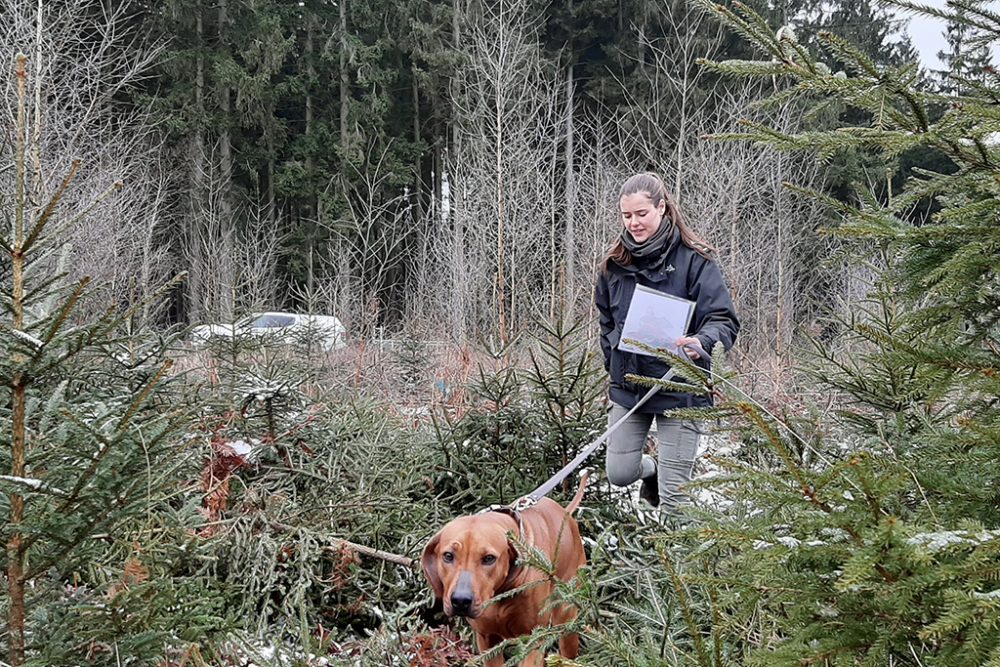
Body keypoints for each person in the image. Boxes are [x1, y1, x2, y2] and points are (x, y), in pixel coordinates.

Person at [594, 172, 739, 515]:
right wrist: (613, 363)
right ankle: (652, 470)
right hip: (630, 387)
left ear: (662, 208)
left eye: (641, 214)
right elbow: (606, 322)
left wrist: (702, 341)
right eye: (626, 216)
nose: (634, 223)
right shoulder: (613, 265)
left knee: (675, 500)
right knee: (619, 473)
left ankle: (675, 564)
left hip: (681, 386)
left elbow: (724, 319)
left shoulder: (695, 260)